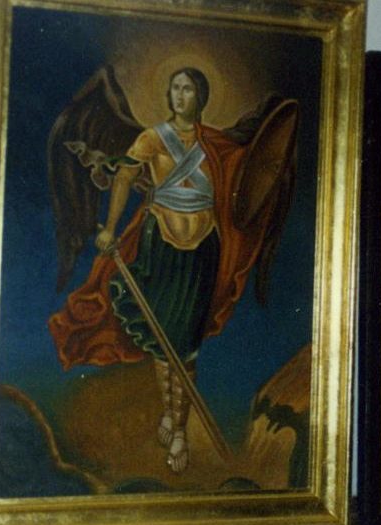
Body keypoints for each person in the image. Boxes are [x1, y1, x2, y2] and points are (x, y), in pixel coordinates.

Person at [49, 67, 291, 474]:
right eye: (175, 88)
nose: (180, 95)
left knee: (186, 343)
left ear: (201, 97)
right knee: (164, 343)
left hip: (203, 252)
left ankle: (177, 425)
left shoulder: (214, 143)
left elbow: (249, 180)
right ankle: (175, 422)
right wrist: (110, 228)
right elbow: (125, 177)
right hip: (160, 245)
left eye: (188, 89)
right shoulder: (152, 138)